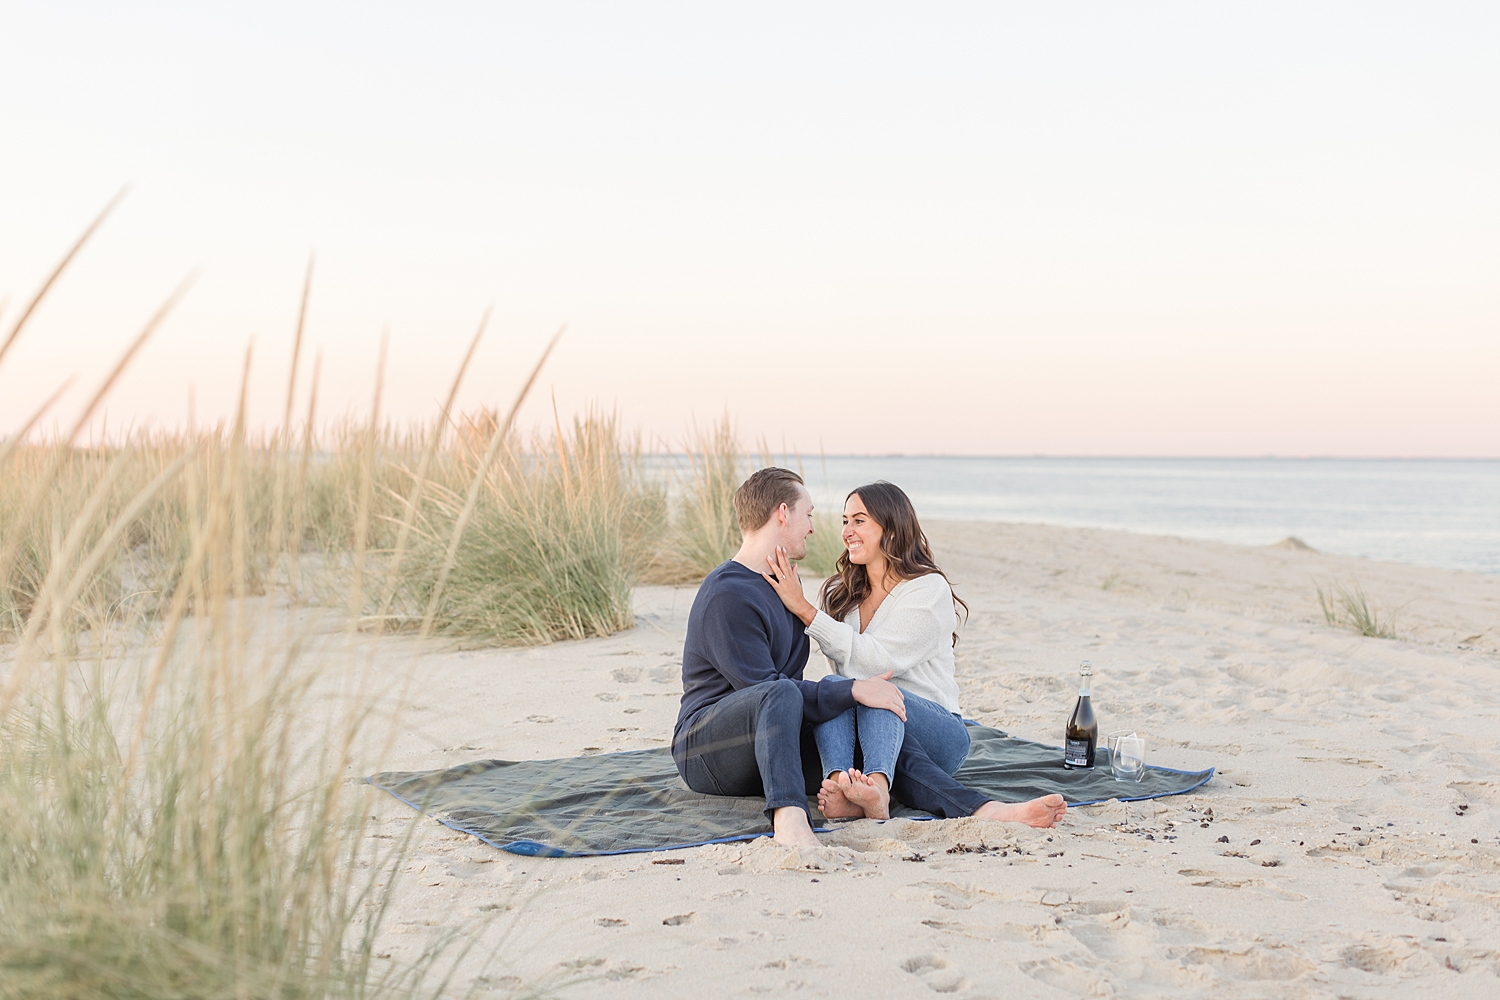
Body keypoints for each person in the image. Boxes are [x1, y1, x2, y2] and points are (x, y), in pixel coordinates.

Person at [673, 469, 1064, 849]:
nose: (817, 527)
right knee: (841, 693)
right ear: (782, 513)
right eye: (809, 514)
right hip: (710, 750)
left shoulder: (791, 590)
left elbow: (853, 678)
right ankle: (790, 816)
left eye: (856, 520)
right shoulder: (729, 593)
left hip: (861, 730)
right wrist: (850, 689)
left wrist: (842, 677)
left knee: (866, 710)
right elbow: (764, 692)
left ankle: (978, 808)